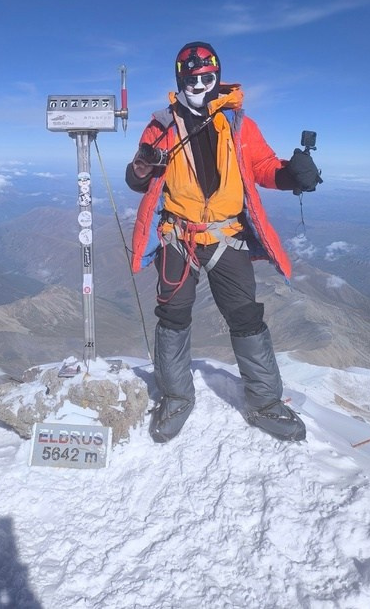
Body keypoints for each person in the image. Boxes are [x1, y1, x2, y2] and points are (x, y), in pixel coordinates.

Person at [125, 42, 322, 444]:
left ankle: (265, 402)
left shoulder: (238, 123)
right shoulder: (160, 125)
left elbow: (263, 166)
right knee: (173, 315)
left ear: (217, 76)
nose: (200, 84)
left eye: (207, 77)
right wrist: (140, 169)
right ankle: (176, 398)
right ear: (180, 79)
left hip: (225, 236)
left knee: (245, 316)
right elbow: (139, 176)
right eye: (192, 78)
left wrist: (292, 174)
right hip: (178, 235)